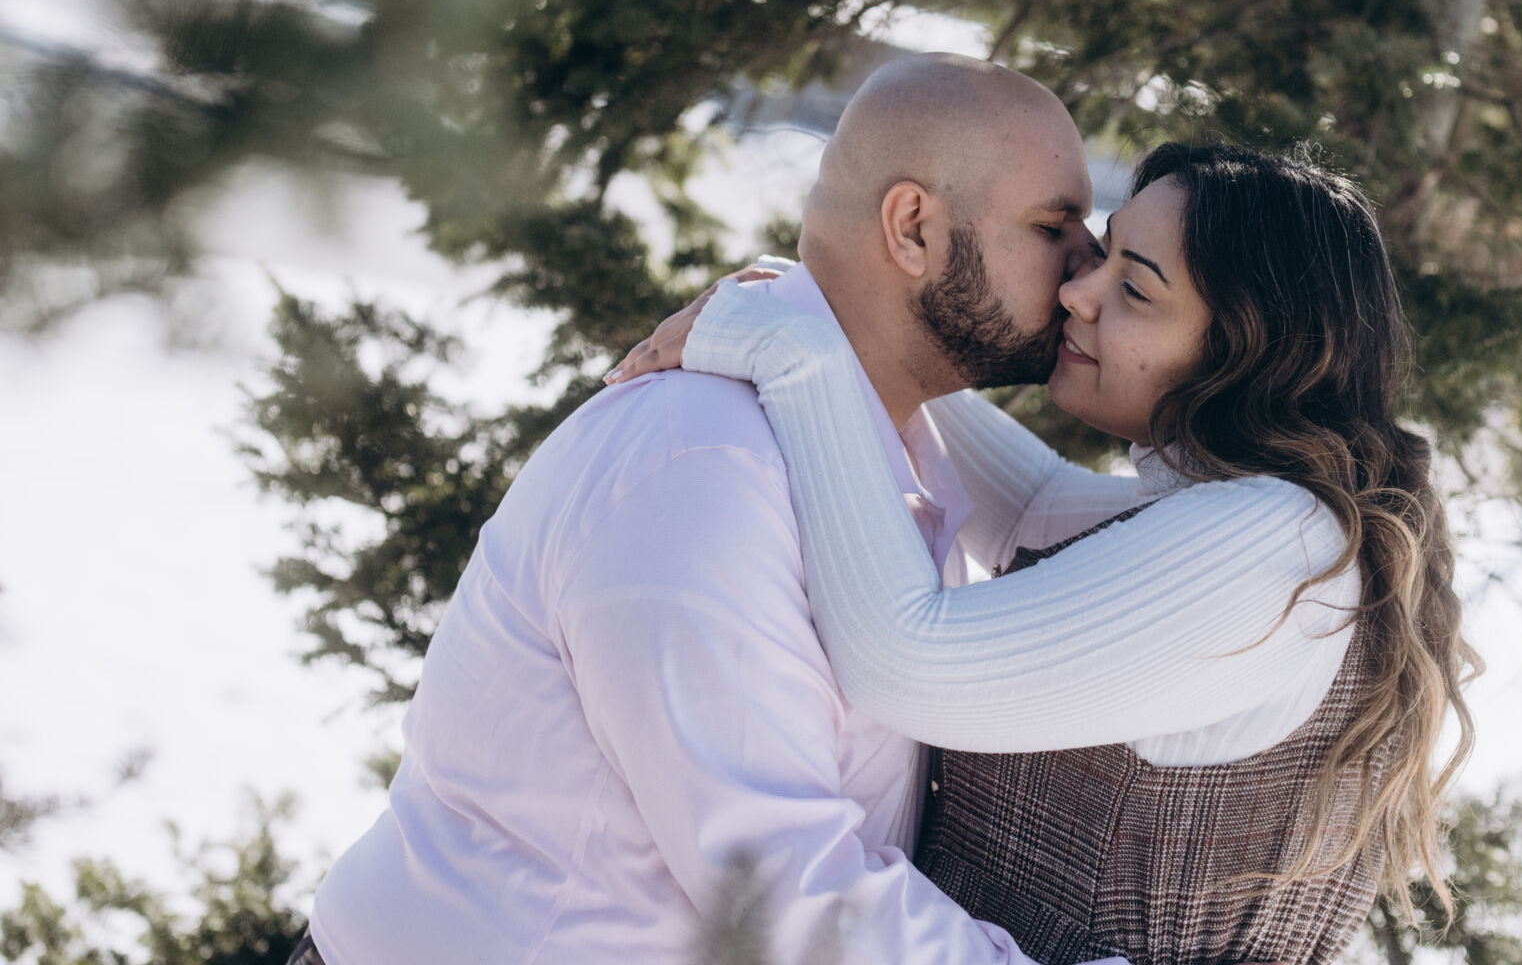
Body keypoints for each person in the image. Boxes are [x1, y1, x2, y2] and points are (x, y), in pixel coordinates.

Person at [288, 53, 1128, 965]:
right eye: (1055, 227)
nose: (1088, 271)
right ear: (912, 228)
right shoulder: (705, 467)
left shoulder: (881, 450)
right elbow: (783, 888)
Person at [609, 142, 1479, 965]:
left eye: (1133, 288)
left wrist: (795, 354)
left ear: (1248, 350)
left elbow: (904, 663)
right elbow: (1030, 509)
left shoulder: (1280, 545)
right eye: (1101, 253)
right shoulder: (1267, 523)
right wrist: (823, 307)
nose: (1078, 293)